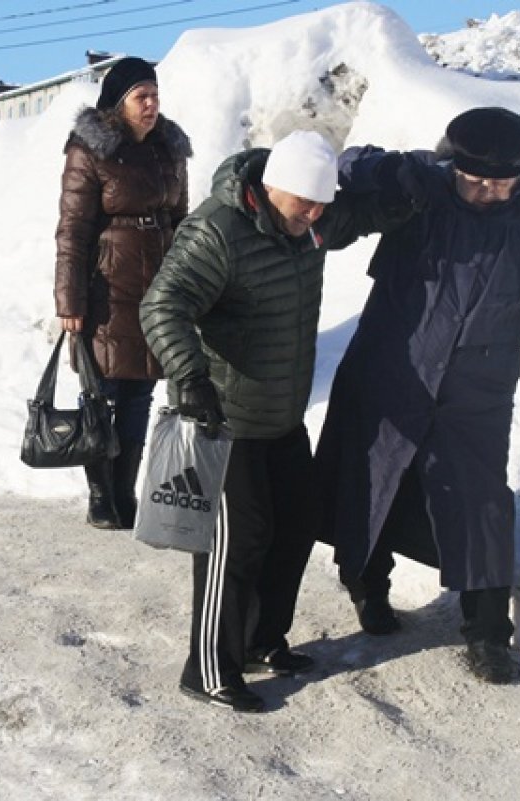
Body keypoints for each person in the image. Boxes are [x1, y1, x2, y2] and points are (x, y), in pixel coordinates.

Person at [140, 130, 418, 712]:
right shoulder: (216, 230)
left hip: (283, 414)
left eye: (322, 205)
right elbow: (163, 303)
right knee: (235, 546)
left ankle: (264, 641)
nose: (315, 216)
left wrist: (406, 194)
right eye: (304, 205)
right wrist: (189, 377)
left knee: (295, 528)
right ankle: (209, 667)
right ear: (272, 191)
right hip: (224, 418)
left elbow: (355, 218)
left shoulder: (310, 221)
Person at [315, 107, 520, 685]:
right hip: (391, 368)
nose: (489, 191)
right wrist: (392, 173)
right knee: (372, 481)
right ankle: (368, 589)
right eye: (475, 179)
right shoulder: (424, 191)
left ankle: (490, 634)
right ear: (454, 166)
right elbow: (346, 165)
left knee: (479, 501)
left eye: (502, 181)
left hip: (478, 386)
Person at [55, 56, 192, 530]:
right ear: (119, 103)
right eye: (142, 96)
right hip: (106, 289)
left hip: (157, 289)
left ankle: (125, 492)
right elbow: (72, 230)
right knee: (102, 394)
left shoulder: (169, 148)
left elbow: (181, 220)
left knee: (140, 396)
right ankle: (99, 495)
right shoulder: (90, 150)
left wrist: (187, 286)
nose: (152, 104)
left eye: (155, 94)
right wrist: (68, 301)